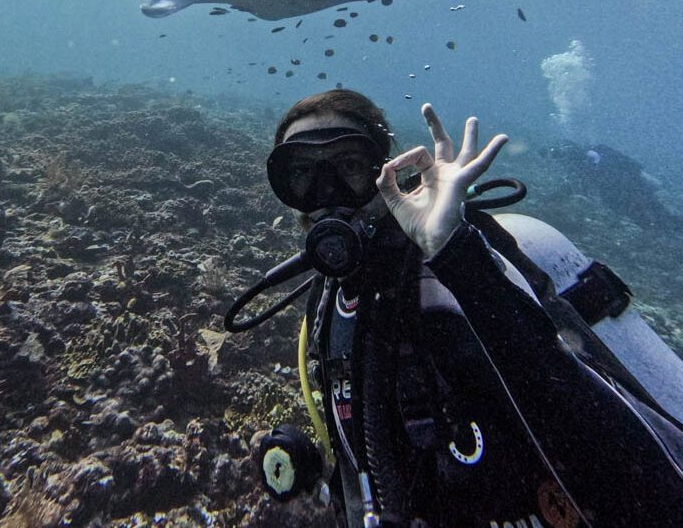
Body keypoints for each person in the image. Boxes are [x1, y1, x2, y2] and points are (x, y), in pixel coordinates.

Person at [255, 88, 683, 528]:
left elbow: (651, 493)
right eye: (302, 174)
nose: (327, 194)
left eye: (349, 168)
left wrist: (454, 255)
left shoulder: (450, 285)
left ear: (388, 174)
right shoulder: (328, 306)